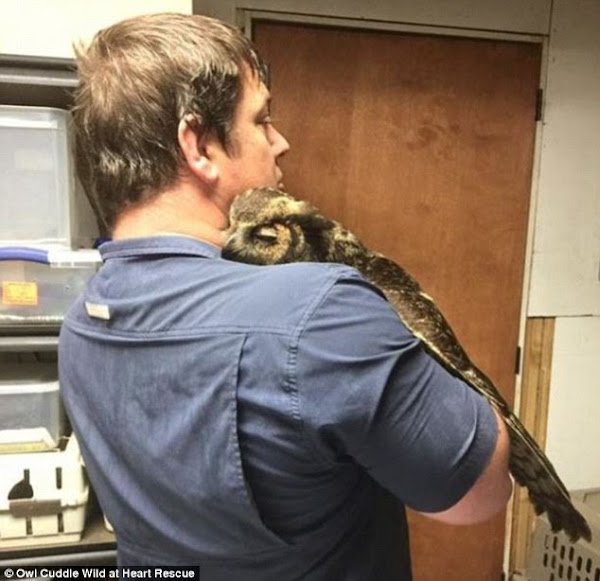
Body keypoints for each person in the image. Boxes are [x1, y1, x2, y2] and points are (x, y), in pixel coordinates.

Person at [58, 12, 512, 579]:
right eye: (262, 120)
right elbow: (479, 494)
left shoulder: (80, 325)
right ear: (198, 144)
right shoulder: (318, 312)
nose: (281, 143)